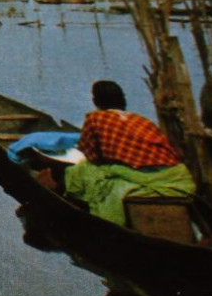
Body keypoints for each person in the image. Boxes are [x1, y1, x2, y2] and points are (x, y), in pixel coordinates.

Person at [62, 79, 195, 225]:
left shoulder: (95, 118)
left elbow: (92, 156)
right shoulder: (141, 119)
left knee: (81, 170)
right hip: (173, 173)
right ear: (122, 100)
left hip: (141, 175)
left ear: (95, 101)